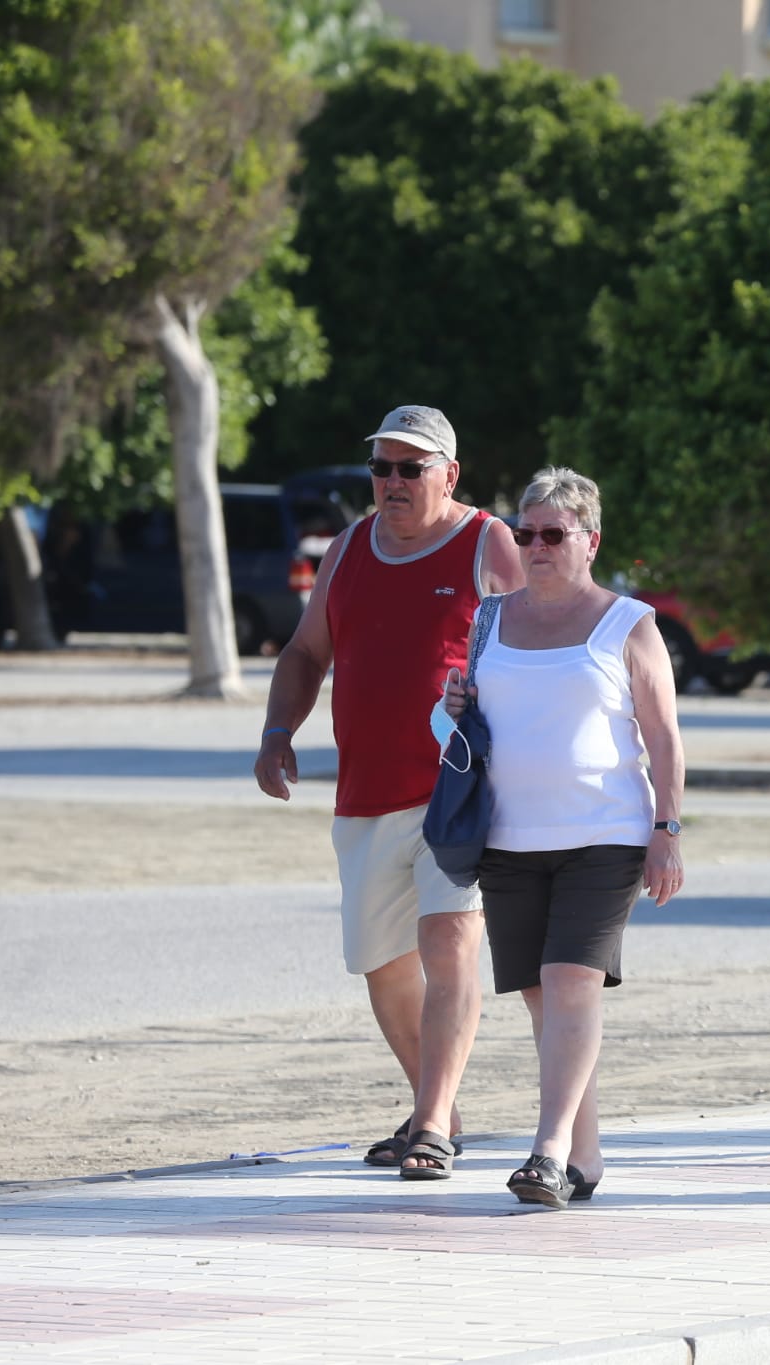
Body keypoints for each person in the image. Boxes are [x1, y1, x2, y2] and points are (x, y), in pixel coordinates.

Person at [254, 405, 523, 1178]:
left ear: (450, 473)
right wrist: (278, 733)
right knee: (383, 964)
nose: (393, 482)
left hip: (459, 789)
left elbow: (541, 637)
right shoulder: (345, 549)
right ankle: (439, 1105)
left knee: (448, 942)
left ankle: (432, 1122)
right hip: (365, 793)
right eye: (382, 467)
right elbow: (306, 653)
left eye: (411, 467)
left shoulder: (488, 542)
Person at [442, 467, 685, 1209]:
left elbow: (663, 734)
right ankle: (585, 1152)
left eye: (553, 533)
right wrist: (452, 705)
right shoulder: (490, 619)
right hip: (509, 835)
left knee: (572, 981)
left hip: (604, 833)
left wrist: (667, 828)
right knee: (540, 997)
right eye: (526, 533)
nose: (537, 546)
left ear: (590, 540)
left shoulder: (628, 622)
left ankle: (544, 1152)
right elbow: (467, 723)